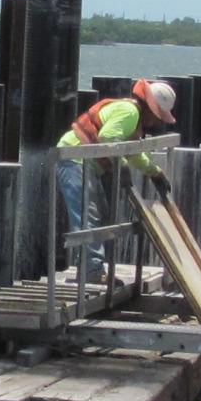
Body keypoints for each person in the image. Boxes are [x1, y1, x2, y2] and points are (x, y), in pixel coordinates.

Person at [57, 79, 179, 265]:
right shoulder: (129, 112)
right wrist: (121, 165)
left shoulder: (132, 118)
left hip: (83, 162)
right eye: (156, 116)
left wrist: (154, 172)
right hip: (75, 158)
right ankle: (92, 270)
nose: (154, 122)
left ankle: (93, 267)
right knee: (87, 215)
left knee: (99, 214)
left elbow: (133, 152)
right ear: (149, 108)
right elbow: (108, 137)